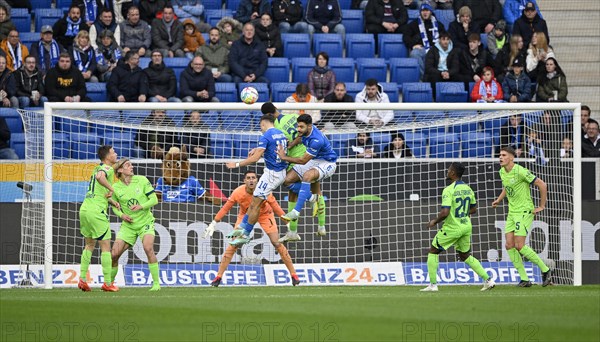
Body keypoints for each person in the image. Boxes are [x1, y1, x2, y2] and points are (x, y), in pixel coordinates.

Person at [204, 170, 300, 287]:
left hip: (265, 215)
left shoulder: (265, 191)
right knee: (233, 244)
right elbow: (225, 208)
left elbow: (275, 207)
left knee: (276, 243)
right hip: (245, 217)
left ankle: (294, 275)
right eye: (248, 178)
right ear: (244, 181)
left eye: (253, 178)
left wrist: (287, 223)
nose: (251, 180)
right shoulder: (238, 192)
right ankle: (218, 277)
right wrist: (214, 222)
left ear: (257, 180)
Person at [421, 162, 495, 292]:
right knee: (465, 255)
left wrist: (434, 221)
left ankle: (433, 285)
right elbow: (473, 209)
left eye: (449, 170)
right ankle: (488, 280)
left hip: (453, 227)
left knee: (433, 251)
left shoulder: (449, 190)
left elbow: (445, 213)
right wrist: (461, 213)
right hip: (466, 226)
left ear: (453, 173)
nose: (447, 172)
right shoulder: (468, 189)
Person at [261, 102, 328, 241]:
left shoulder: (276, 128)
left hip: (296, 160)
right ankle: (321, 227)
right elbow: (301, 135)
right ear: (276, 108)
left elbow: (283, 147)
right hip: (311, 155)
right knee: (315, 189)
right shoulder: (293, 116)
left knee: (290, 187)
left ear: (269, 115)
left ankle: (293, 230)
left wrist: (288, 147)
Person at [223, 115, 291, 247]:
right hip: (278, 171)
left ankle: (245, 234)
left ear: (264, 124)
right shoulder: (280, 133)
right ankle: (242, 229)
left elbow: (254, 159)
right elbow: (281, 145)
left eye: (261, 126)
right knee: (255, 202)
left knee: (255, 205)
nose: (261, 129)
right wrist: (259, 149)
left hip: (272, 174)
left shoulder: (265, 136)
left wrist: (236, 164)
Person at [492, 146, 552, 287]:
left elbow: (542, 184)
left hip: (524, 211)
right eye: (500, 155)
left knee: (519, 245)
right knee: (509, 245)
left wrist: (542, 205)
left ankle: (546, 269)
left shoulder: (520, 171)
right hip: (512, 212)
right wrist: (499, 200)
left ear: (511, 158)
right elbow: (507, 187)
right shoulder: (502, 171)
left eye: (504, 155)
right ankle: (525, 279)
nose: (500, 157)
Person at [109, 158, 161, 291]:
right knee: (114, 254)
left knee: (148, 248)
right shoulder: (115, 187)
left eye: (131, 164)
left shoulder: (142, 180)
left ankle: (156, 284)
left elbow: (154, 199)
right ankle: (110, 283)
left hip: (145, 222)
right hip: (128, 226)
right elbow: (114, 206)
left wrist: (141, 207)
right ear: (120, 170)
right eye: (128, 165)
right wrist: (121, 215)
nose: (132, 167)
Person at [277, 114, 337, 223]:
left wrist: (284, 157)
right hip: (314, 160)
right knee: (286, 180)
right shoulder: (305, 131)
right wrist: (290, 145)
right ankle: (312, 197)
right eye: (298, 126)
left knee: (307, 176)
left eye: (301, 127)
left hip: (327, 162)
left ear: (309, 126)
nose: (298, 129)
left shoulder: (316, 140)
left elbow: (303, 161)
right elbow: (300, 138)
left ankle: (296, 212)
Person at [77, 145, 120, 292]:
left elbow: (97, 189)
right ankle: (108, 283)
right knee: (106, 247)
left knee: (89, 245)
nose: (116, 154)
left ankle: (82, 279)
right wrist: (112, 189)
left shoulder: (96, 168)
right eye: (114, 152)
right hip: (96, 211)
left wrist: (112, 201)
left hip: (85, 209)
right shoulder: (107, 169)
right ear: (107, 156)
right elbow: (100, 177)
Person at [403, 3, 446, 80]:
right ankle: (425, 77)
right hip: (422, 48)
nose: (425, 13)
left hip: (436, 49)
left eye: (427, 11)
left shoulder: (438, 24)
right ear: (420, 12)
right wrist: (413, 45)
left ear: (431, 12)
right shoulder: (414, 24)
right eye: (423, 11)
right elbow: (406, 37)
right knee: (414, 53)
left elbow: (445, 36)